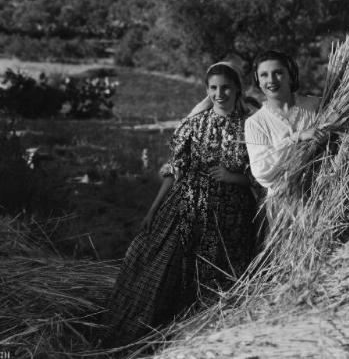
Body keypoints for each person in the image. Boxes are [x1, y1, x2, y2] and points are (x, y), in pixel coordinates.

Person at [104, 61, 257, 345]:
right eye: (213, 88)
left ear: (237, 88)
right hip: (186, 209)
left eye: (225, 87)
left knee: (216, 280)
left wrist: (231, 177)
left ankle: (209, 341)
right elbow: (176, 171)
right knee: (163, 271)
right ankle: (152, 341)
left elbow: (261, 177)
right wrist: (153, 210)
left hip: (230, 218)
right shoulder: (193, 125)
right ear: (206, 90)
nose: (219, 93)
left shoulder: (251, 127)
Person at [244, 50, 326, 222]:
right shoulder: (255, 123)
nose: (271, 80)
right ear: (258, 81)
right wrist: (296, 138)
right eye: (264, 75)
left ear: (290, 75)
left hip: (324, 197)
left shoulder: (315, 106)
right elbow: (261, 171)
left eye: (278, 73)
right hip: (285, 210)